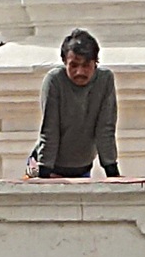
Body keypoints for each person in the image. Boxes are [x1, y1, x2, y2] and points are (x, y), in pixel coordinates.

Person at [32, 30, 119, 180]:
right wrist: (43, 176)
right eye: (74, 65)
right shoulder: (55, 81)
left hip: (82, 167)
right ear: (65, 62)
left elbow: (105, 129)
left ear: (95, 63)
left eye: (86, 65)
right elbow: (50, 129)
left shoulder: (104, 81)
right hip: (47, 166)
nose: (80, 72)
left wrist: (112, 172)